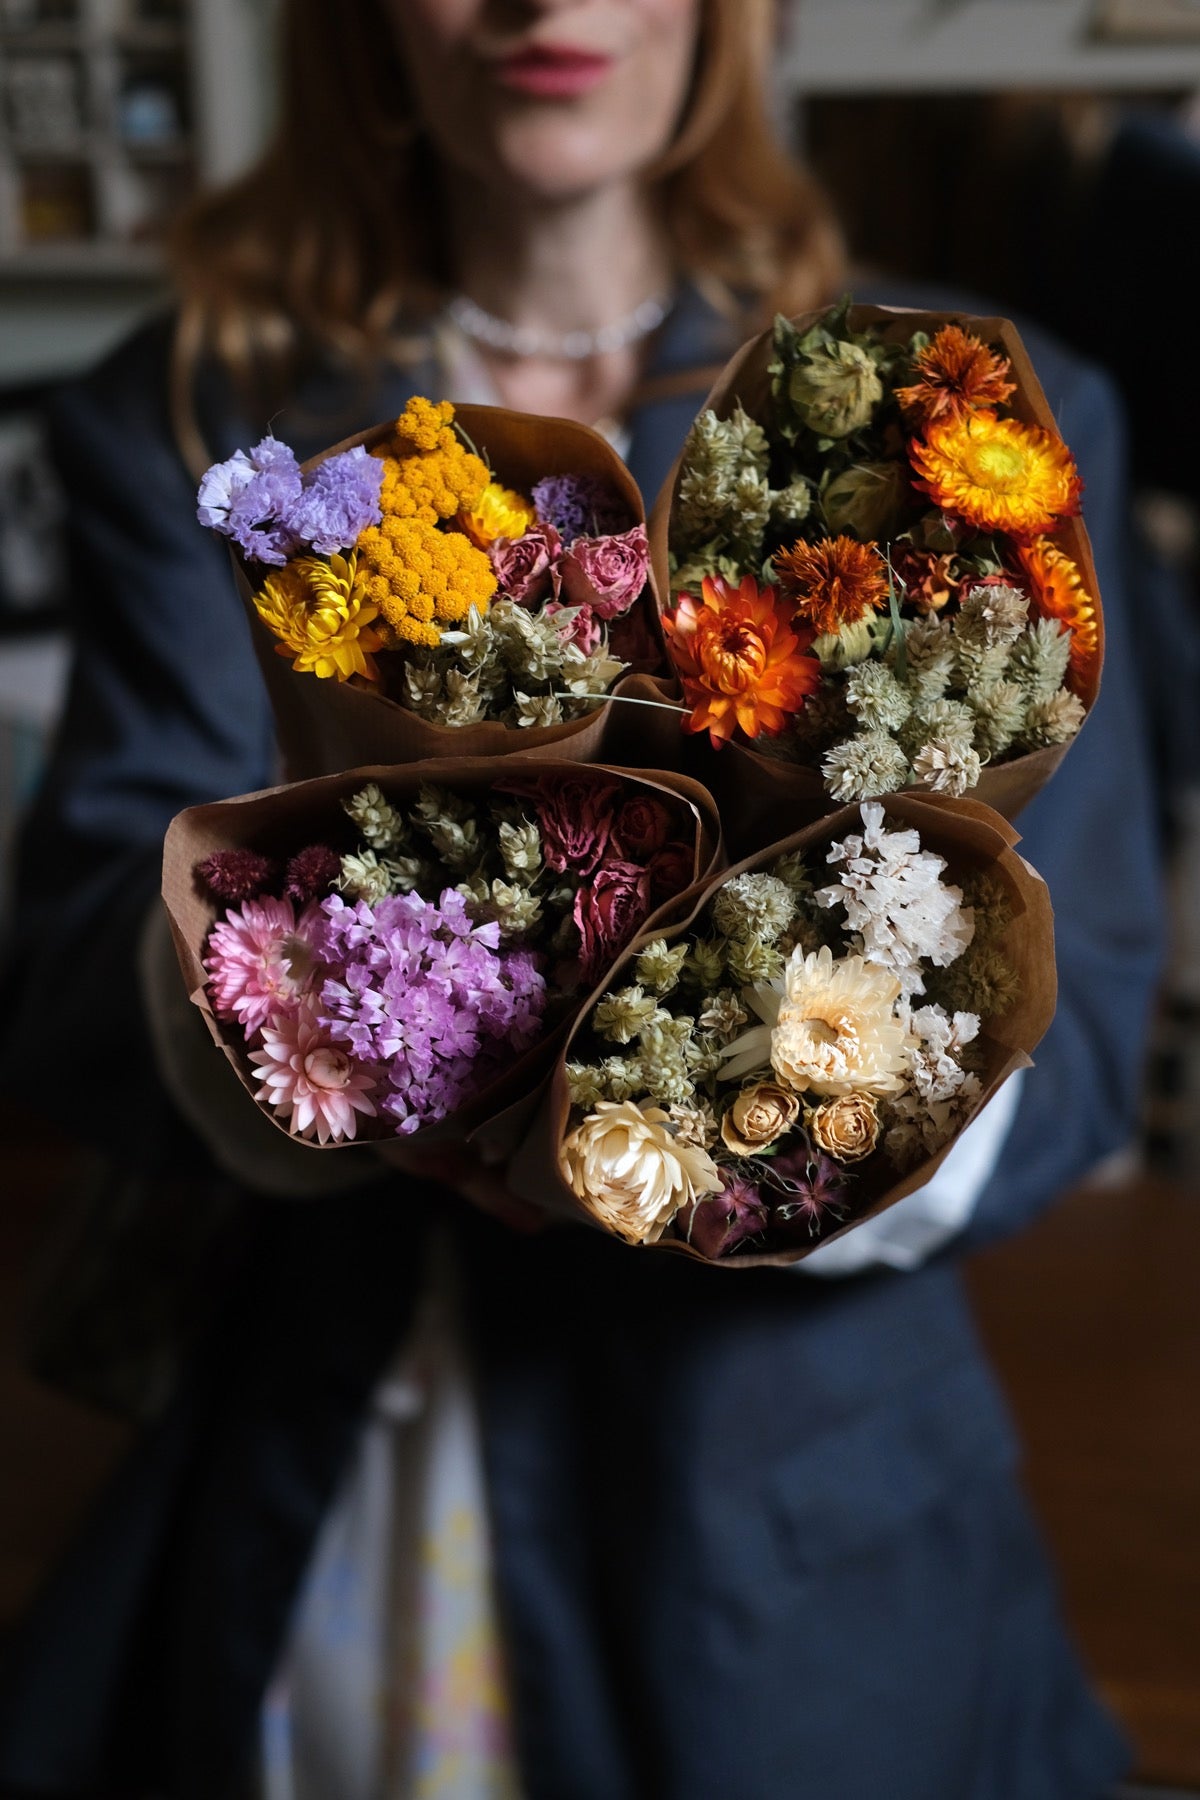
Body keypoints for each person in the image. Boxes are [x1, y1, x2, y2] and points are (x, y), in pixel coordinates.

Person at [0, 2, 1165, 1796]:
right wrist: (327, 1019)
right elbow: (74, 966)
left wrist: (762, 1128)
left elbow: (1077, 1043)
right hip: (341, 1432)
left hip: (787, 1505)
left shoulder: (962, 420)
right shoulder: (196, 415)